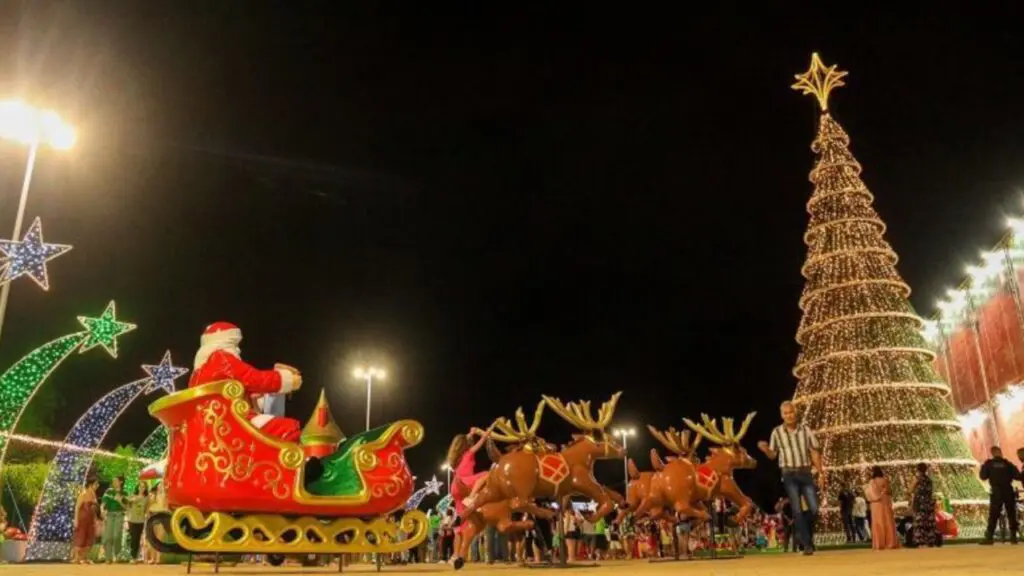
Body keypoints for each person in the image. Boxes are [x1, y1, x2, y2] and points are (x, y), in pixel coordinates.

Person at [757, 401, 823, 556]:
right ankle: (807, 545)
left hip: (805, 472)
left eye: (791, 412)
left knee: (814, 508)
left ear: (795, 412)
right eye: (785, 413)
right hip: (788, 474)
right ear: (782, 415)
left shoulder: (805, 430)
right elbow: (773, 455)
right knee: (797, 510)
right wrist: (766, 449)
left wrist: (821, 472)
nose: (789, 415)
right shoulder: (777, 432)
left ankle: (806, 538)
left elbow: (814, 451)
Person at [979, 445, 1021, 545]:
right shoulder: (1008, 464)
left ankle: (989, 537)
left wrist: (984, 467)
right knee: (1011, 513)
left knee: (993, 515)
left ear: (992, 453)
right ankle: (1013, 537)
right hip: (1008, 490)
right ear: (1000, 453)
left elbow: (983, 477)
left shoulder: (989, 464)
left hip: (996, 491)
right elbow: (1017, 476)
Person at [865, 466, 898, 550]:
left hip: (876, 505)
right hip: (885, 503)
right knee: (888, 522)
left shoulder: (871, 482)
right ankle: (890, 543)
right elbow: (889, 491)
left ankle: (879, 544)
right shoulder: (885, 480)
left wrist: (876, 496)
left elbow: (869, 494)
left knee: (878, 523)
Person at [72, 476, 101, 564]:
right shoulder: (83, 494)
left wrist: (96, 519)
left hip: (90, 520)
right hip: (82, 519)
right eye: (96, 484)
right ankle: (77, 558)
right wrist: (76, 520)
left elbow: (95, 509)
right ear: (90, 485)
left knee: (89, 537)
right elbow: (77, 508)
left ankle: (84, 557)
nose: (97, 486)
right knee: (81, 537)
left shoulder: (94, 495)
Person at [909, 463, 937, 547]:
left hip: (920, 503)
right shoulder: (929, 480)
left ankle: (919, 540)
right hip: (928, 503)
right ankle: (930, 540)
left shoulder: (917, 479)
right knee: (928, 521)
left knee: (919, 521)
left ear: (918, 469)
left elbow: (911, 489)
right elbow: (931, 491)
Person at [101, 476, 128, 563]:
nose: (114, 482)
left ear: (120, 482)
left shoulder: (124, 493)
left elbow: (126, 507)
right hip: (109, 515)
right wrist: (102, 511)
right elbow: (103, 503)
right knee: (108, 537)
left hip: (119, 515)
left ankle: (117, 555)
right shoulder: (108, 491)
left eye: (116, 481)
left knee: (117, 536)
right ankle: (108, 558)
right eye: (113, 481)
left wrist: (120, 501)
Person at [126, 483, 150, 562]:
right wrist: (136, 498)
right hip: (132, 520)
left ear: (145, 488)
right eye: (140, 486)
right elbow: (128, 503)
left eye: (143, 487)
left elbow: (146, 508)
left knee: (138, 538)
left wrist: (146, 515)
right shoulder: (133, 495)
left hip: (141, 520)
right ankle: (133, 556)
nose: (142, 488)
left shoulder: (147, 498)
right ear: (138, 487)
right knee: (133, 538)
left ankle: (135, 557)